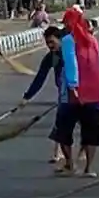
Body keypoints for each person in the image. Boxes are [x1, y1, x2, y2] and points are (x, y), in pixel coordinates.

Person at [58, 8, 99, 177]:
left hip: (74, 95)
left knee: (62, 130)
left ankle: (71, 163)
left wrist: (73, 87)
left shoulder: (68, 41)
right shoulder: (93, 40)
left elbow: (71, 64)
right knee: (91, 131)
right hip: (95, 94)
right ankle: (89, 168)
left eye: (66, 22)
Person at [19, 26, 66, 165]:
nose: (50, 46)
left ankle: (82, 152)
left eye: (52, 42)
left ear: (60, 39)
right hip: (63, 93)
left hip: (78, 91)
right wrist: (27, 97)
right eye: (47, 43)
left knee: (83, 123)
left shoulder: (70, 53)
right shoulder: (51, 57)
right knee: (61, 121)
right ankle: (58, 151)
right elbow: (40, 78)